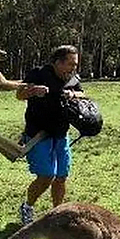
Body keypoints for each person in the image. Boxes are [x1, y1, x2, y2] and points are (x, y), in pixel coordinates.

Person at [16, 45, 85, 224]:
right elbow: (19, 95)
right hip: (38, 134)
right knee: (47, 176)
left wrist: (72, 93)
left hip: (61, 133)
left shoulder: (71, 79)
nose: (73, 68)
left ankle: (57, 215)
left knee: (61, 177)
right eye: (71, 64)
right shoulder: (38, 73)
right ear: (57, 62)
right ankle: (28, 207)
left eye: (75, 65)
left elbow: (83, 94)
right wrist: (33, 91)